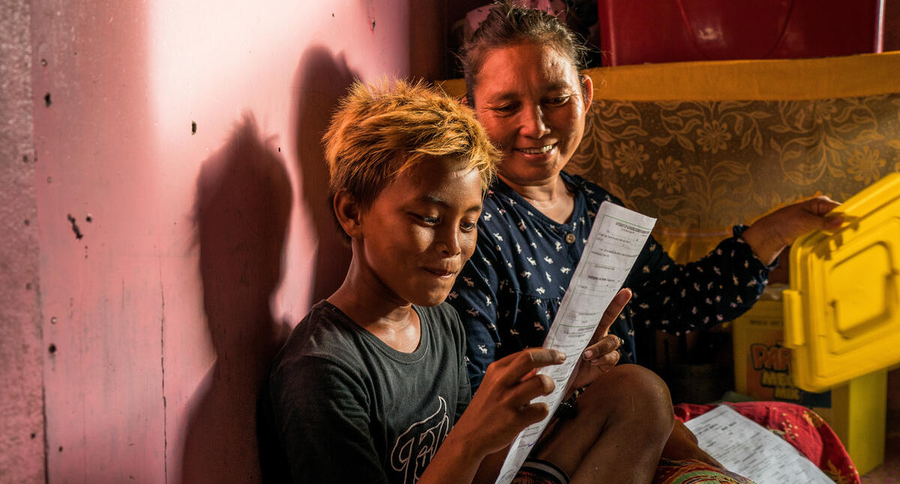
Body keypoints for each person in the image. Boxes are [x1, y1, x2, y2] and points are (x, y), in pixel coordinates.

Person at [446, 0, 843, 465]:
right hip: (542, 453)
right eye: (507, 105)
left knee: (799, 427)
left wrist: (778, 229)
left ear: (586, 96)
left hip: (629, 429)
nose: (535, 125)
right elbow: (470, 397)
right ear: (471, 111)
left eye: (556, 99)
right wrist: (572, 382)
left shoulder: (598, 209)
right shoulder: (473, 226)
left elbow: (678, 301)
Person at [259, 78, 676, 484]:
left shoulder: (439, 322)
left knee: (638, 393)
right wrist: (471, 436)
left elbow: (477, 474)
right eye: (428, 219)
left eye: (468, 224)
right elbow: (466, 452)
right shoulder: (323, 371)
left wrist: (560, 386)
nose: (452, 246)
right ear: (352, 213)